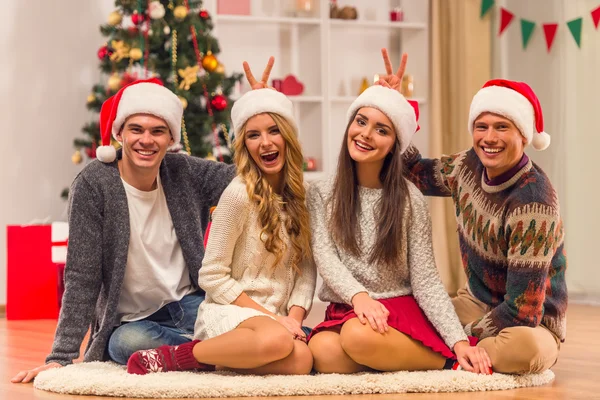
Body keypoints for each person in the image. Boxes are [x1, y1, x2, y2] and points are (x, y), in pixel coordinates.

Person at [12, 78, 235, 383]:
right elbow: (82, 276)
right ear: (119, 134)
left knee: (242, 322)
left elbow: (244, 179)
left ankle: (217, 351)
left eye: (158, 131)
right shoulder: (94, 185)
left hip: (190, 304)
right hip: (133, 323)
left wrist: (260, 111)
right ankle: (227, 354)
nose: (147, 140)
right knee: (124, 345)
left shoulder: (184, 172)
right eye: (137, 130)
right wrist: (61, 358)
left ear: (170, 138)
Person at [379, 50, 568, 374]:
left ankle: (444, 356)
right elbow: (413, 172)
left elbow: (523, 311)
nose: (489, 138)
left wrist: (459, 338)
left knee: (523, 351)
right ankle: (458, 355)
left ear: (523, 134)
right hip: (476, 302)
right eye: (482, 127)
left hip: (530, 324)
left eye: (502, 127)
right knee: (409, 313)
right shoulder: (468, 166)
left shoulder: (534, 203)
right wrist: (394, 109)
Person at [126, 59, 317, 376]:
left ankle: (222, 358)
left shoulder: (307, 196)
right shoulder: (239, 194)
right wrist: (271, 320)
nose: (265, 143)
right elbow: (212, 276)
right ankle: (180, 355)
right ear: (245, 145)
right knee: (277, 342)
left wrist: (293, 320)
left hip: (277, 319)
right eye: (253, 135)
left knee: (301, 360)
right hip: (231, 311)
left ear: (289, 138)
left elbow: (307, 272)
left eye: (273, 131)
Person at [306, 53, 491, 375]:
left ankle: (447, 358)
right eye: (360, 121)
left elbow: (426, 280)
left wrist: (458, 341)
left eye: (381, 130)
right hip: (349, 306)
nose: (365, 134)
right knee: (322, 352)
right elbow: (325, 256)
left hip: (396, 307)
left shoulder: (410, 200)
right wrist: (359, 297)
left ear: (394, 145)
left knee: (356, 337)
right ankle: (388, 356)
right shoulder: (321, 192)